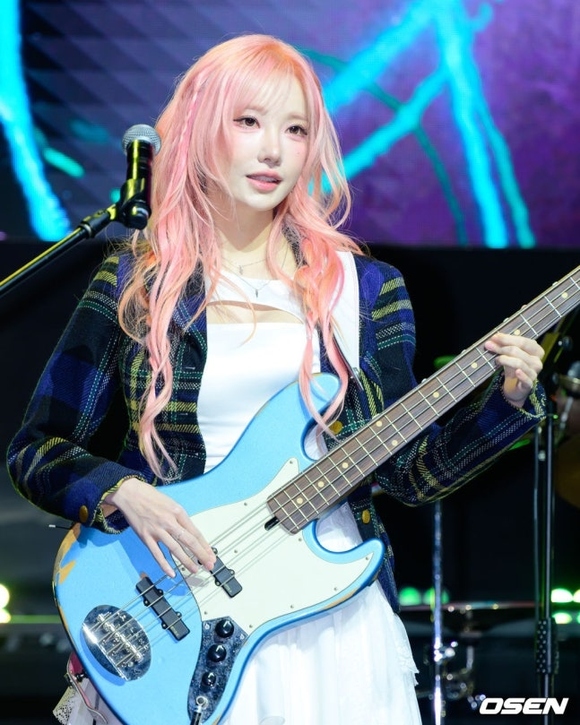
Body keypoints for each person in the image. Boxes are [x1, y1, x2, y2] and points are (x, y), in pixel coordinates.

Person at [7, 34, 546, 725]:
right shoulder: (139, 280)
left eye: (295, 130)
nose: (273, 151)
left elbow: (411, 474)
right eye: (249, 122)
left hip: (333, 622)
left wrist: (506, 403)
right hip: (182, 609)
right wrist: (122, 490)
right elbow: (37, 449)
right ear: (202, 129)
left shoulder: (364, 289)